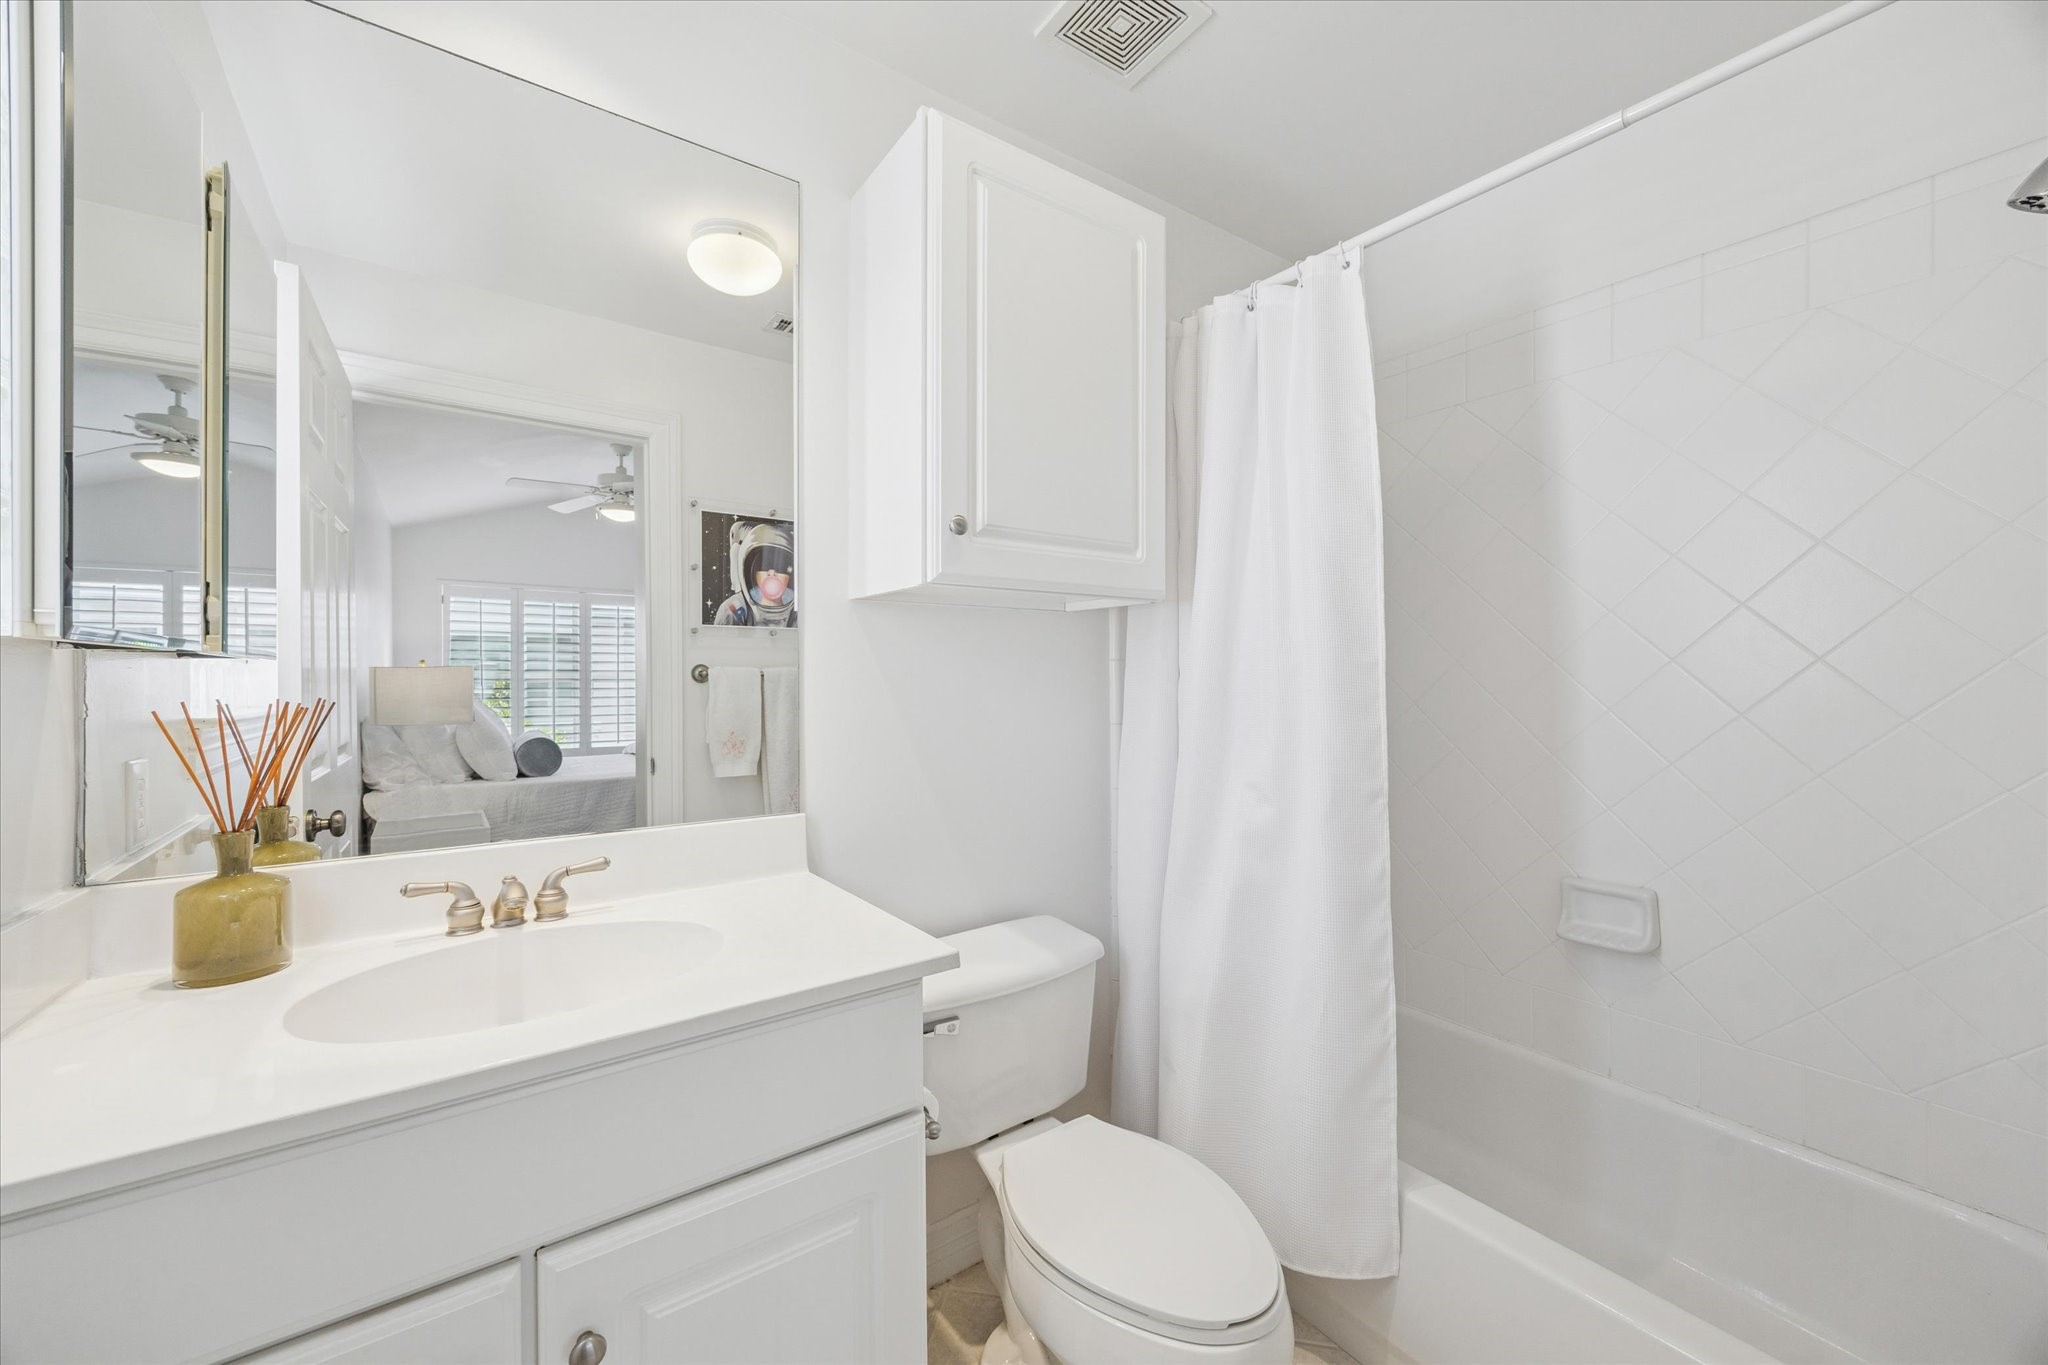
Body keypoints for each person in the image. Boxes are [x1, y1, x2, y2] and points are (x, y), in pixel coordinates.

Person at [713, 520, 796, 627]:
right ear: (750, 572)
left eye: (781, 568)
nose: (772, 573)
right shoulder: (735, 609)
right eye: (764, 566)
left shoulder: (798, 613)